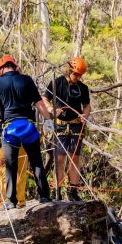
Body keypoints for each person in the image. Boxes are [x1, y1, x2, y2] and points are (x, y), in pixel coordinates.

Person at [0, 55, 53, 209]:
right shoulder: (26, 79)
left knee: (10, 165)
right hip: (28, 127)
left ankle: (10, 201)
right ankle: (44, 196)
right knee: (36, 162)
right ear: (14, 66)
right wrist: (48, 121)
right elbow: (39, 103)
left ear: (1, 69)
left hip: (10, 129)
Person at [42, 57, 91, 201]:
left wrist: (85, 115)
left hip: (76, 124)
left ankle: (73, 191)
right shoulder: (56, 83)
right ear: (69, 70)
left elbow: (87, 105)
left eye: (80, 75)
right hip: (60, 124)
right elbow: (45, 99)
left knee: (75, 157)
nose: (77, 77)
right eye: (75, 74)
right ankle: (57, 189)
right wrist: (51, 109)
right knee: (59, 158)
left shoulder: (83, 88)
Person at [0, 119, 28, 209]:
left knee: (11, 170)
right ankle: (18, 200)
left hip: (10, 135)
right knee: (15, 170)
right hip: (17, 134)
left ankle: (12, 200)